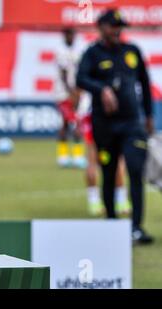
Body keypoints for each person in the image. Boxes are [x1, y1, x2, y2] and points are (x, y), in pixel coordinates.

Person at [77, 9, 154, 244]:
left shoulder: (132, 51)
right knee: (109, 174)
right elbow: (80, 79)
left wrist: (149, 116)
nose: (117, 30)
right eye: (113, 26)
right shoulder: (92, 53)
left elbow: (144, 82)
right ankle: (110, 225)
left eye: (120, 26)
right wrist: (102, 89)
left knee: (134, 170)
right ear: (101, 27)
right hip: (105, 126)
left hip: (132, 123)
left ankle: (136, 227)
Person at [55, 27, 86, 168]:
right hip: (63, 94)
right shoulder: (61, 52)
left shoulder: (78, 52)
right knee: (69, 123)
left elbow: (80, 73)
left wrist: (79, 91)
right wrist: (71, 92)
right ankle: (66, 156)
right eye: (68, 34)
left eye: (73, 34)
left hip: (77, 93)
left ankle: (72, 156)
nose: (71, 37)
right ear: (64, 35)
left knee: (71, 123)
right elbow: (63, 74)